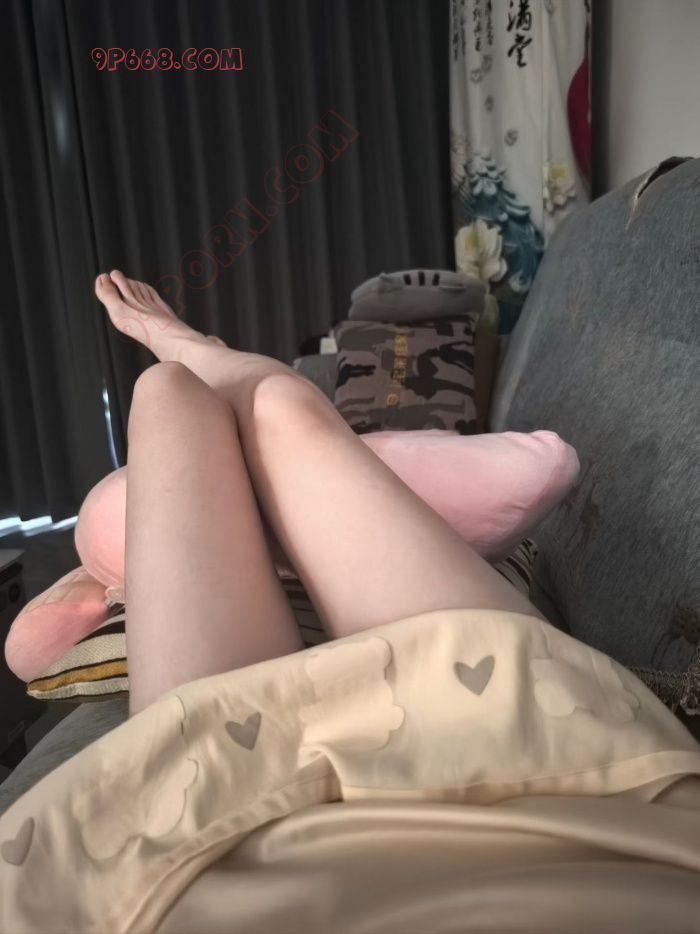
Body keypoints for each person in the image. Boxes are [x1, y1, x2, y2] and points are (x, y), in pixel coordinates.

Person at [94, 269, 540, 717]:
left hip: (211, 754)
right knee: (274, 401)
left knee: (164, 391)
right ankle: (196, 352)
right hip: (515, 710)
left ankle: (186, 353)